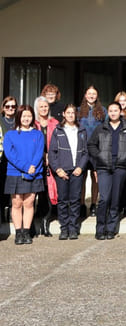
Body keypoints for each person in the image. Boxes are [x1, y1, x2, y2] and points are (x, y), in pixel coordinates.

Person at [88, 101, 126, 240]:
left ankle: (111, 228)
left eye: (116, 110)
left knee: (115, 200)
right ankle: (100, 228)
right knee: (104, 198)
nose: (113, 113)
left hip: (120, 167)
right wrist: (99, 156)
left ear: (121, 112)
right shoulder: (101, 128)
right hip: (104, 167)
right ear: (108, 112)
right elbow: (91, 145)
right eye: (111, 110)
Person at [3, 105, 45, 244]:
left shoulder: (38, 134)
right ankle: (18, 233)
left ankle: (26, 232)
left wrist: (32, 168)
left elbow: (39, 152)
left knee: (29, 202)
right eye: (23, 116)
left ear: (32, 117)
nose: (26, 118)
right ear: (19, 117)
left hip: (34, 172)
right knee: (16, 203)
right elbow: (10, 154)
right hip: (15, 173)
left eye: (29, 116)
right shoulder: (10, 134)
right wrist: (26, 167)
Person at [48, 105, 89, 240]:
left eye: (73, 113)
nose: (71, 115)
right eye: (68, 113)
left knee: (75, 200)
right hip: (62, 171)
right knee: (63, 200)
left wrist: (80, 167)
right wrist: (58, 169)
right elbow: (52, 153)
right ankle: (64, 228)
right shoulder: (58, 131)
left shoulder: (81, 130)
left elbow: (85, 152)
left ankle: (73, 228)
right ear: (64, 114)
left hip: (76, 170)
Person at [33, 96, 58, 237]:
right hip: (36, 163)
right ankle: (34, 223)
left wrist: (51, 157)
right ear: (37, 108)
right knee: (37, 193)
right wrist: (42, 155)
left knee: (49, 194)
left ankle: (45, 222)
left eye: (46, 106)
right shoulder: (33, 123)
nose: (44, 109)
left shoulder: (54, 123)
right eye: (41, 106)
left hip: (51, 163)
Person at [78, 86, 105, 216]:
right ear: (85, 95)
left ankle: (94, 204)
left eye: (94, 94)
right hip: (82, 149)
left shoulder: (102, 111)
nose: (91, 96)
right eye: (89, 93)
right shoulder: (78, 111)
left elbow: (106, 130)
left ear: (97, 95)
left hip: (96, 148)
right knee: (82, 177)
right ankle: (82, 204)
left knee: (96, 178)